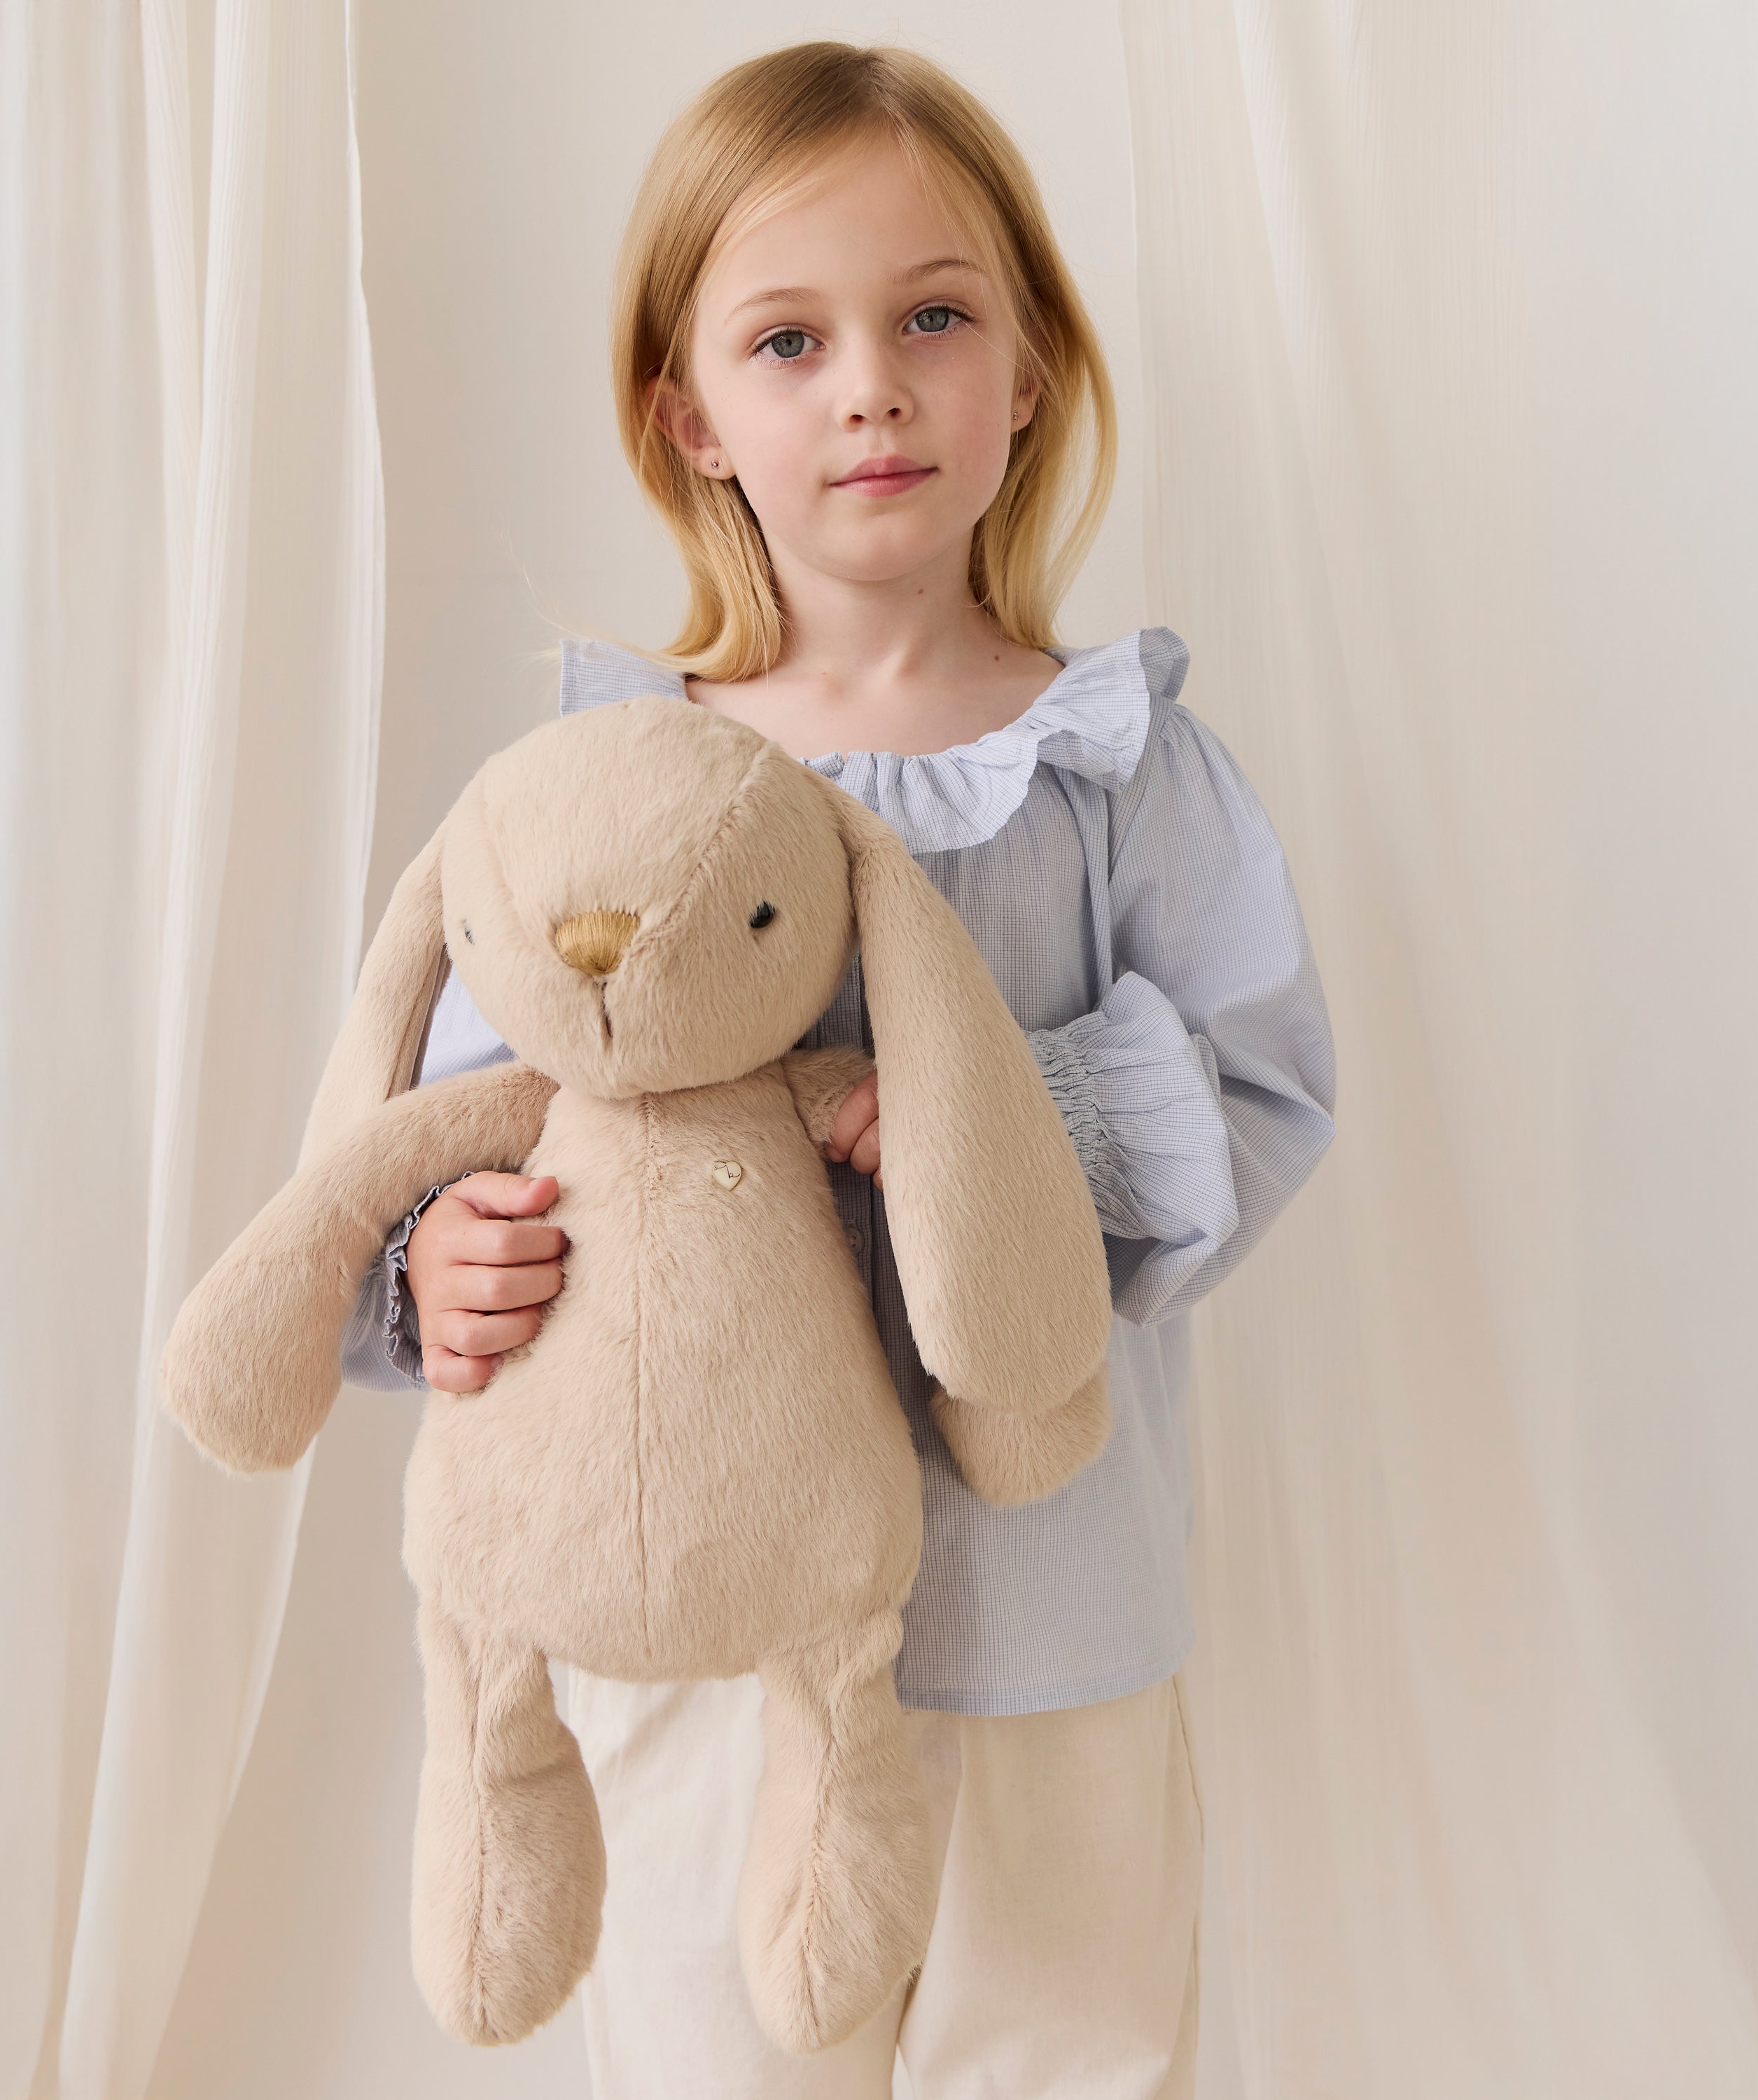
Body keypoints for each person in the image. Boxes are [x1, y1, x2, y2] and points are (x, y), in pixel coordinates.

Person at [340, 40, 1336, 2099]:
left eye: (935, 318)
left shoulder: (1119, 767)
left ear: (1034, 371)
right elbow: (440, 1127)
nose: (871, 384)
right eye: (790, 339)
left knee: (1067, 2048)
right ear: (688, 413)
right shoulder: (614, 790)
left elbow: (1259, 1090)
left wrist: (1010, 1128)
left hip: (1052, 1623)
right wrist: (443, 1262)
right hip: (709, 1620)